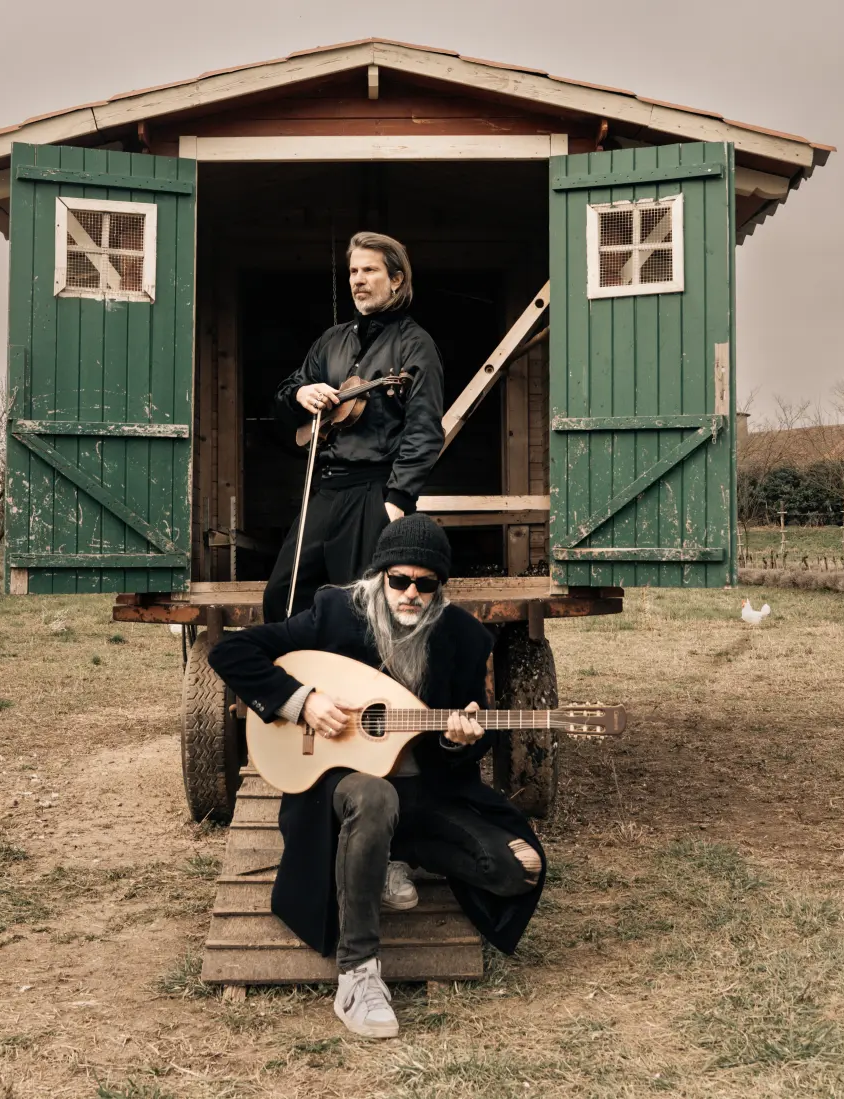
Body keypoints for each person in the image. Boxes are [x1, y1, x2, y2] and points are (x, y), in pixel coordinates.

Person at [209, 515, 546, 1039]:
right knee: (375, 797)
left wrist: (458, 740)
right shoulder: (335, 614)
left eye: (426, 584)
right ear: (381, 575)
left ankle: (390, 855)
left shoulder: (462, 636)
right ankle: (358, 974)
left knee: (517, 870)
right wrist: (302, 701)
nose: (411, 593)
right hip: (343, 789)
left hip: (424, 795)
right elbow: (230, 652)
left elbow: (461, 748)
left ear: (440, 587)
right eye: (400, 580)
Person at [263, 231, 445, 623]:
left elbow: (425, 430)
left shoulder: (416, 344)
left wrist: (397, 500)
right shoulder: (332, 341)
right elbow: (284, 399)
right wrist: (301, 394)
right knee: (284, 595)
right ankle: (300, 665)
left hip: (374, 491)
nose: (358, 280)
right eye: (353, 271)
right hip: (327, 488)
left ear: (396, 280)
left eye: (369, 270)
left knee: (361, 607)